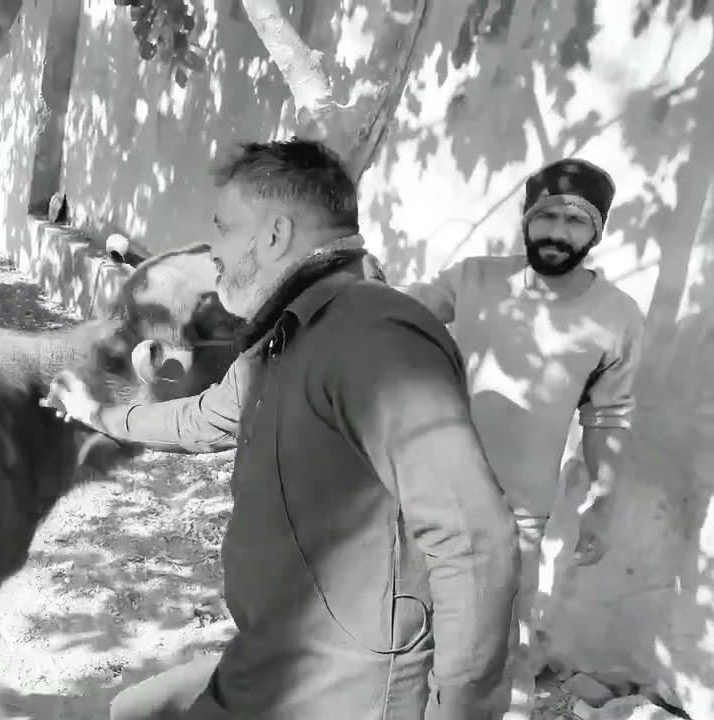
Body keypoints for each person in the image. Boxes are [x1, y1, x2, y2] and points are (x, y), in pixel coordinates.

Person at [43, 138, 520, 719]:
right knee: (135, 710)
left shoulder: (377, 335)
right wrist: (100, 415)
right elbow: (204, 418)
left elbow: (473, 540)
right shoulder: (283, 336)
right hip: (272, 656)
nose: (214, 251)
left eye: (223, 228)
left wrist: (460, 712)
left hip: (343, 690)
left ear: (273, 236)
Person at [397, 157, 646, 719]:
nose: (559, 232)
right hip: (430, 487)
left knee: (498, 639)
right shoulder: (476, 277)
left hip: (520, 514)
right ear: (526, 219)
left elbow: (608, 417)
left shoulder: (617, 316)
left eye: (577, 220)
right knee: (410, 615)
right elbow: (398, 310)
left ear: (598, 231)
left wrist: (601, 503)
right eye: (548, 215)